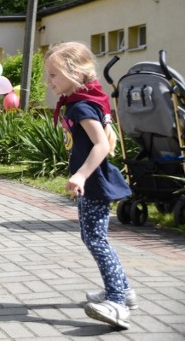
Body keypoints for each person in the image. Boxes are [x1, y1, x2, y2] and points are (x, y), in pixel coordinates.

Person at [45, 42, 136, 329]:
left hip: (95, 182)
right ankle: (121, 290)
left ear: (74, 73)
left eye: (53, 75)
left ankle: (118, 302)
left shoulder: (82, 106)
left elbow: (101, 146)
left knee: (96, 239)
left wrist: (82, 175)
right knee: (92, 237)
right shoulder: (76, 102)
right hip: (90, 182)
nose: (49, 81)